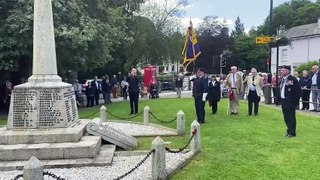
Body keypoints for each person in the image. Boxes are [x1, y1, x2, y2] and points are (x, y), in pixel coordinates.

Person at [278, 65, 301, 137]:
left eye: (283, 70)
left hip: (290, 102)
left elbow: (298, 91)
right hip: (284, 101)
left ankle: (292, 132)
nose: (281, 71)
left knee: (291, 117)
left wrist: (294, 101)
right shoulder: (283, 79)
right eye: (281, 70)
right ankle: (289, 130)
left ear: (288, 71)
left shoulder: (293, 79)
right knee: (286, 117)